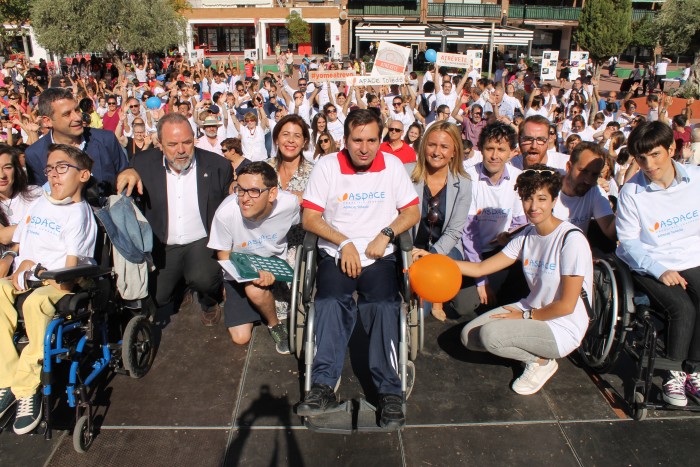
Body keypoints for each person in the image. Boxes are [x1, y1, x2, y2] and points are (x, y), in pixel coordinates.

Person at [295, 109, 420, 428]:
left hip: (379, 256)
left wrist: (386, 234)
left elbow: (411, 211)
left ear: (380, 140)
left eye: (371, 140)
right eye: (357, 140)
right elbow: (310, 218)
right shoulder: (327, 166)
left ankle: (390, 392)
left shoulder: (391, 166)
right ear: (345, 140)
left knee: (383, 306)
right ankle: (322, 386)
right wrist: (343, 242)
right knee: (328, 303)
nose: (364, 148)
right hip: (337, 253)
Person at [459, 165, 593, 395]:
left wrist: (524, 316)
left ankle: (541, 362)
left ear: (553, 201)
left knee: (490, 336)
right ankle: (527, 347)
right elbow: (481, 267)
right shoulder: (527, 235)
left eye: (542, 199)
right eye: (527, 198)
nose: (534, 206)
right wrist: (434, 260)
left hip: (561, 324)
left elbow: (566, 305)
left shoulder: (571, 240)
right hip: (531, 309)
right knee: (469, 337)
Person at [0, 144, 97, 434]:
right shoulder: (40, 202)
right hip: (29, 275)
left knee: (35, 303)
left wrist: (32, 269)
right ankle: (6, 380)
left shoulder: (78, 215)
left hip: (61, 281)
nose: (54, 175)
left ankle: (26, 386)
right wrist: (21, 264)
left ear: (83, 175)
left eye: (63, 168)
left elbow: (66, 277)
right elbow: (20, 240)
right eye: (50, 169)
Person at [616, 121, 700, 407]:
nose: (648, 164)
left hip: (693, 256)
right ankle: (672, 374)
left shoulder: (697, 178)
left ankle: (695, 370)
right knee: (682, 307)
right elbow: (628, 242)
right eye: (641, 158)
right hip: (653, 260)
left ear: (672, 149)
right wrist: (659, 269)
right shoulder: (632, 192)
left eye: (655, 155)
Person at [132, 113, 233, 325]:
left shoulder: (217, 166)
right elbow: (123, 175)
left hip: (201, 240)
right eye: (173, 144)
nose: (181, 150)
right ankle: (181, 286)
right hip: (163, 242)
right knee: (158, 297)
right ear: (159, 144)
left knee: (205, 280)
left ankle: (209, 301)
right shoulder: (141, 164)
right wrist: (125, 173)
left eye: (187, 142)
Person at [208, 162, 299, 354]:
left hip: (274, 263)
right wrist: (250, 273)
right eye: (240, 190)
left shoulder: (289, 204)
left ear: (272, 194)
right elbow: (223, 255)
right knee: (241, 338)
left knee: (256, 292)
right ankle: (241, 296)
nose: (245, 199)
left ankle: (274, 325)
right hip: (239, 267)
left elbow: (310, 209)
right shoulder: (226, 213)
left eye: (254, 191)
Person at [407, 121, 472, 320]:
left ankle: (437, 299)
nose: (437, 152)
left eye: (444, 146)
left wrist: (432, 255)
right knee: (414, 306)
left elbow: (454, 231)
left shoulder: (464, 183)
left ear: (454, 152)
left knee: (466, 305)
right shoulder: (405, 173)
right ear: (424, 145)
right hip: (410, 247)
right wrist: (409, 251)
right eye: (432, 145)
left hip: (443, 250)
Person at [25, 88, 129, 188]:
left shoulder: (106, 139)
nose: (78, 117)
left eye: (77, 110)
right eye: (67, 114)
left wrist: (131, 173)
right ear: (47, 121)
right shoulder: (34, 155)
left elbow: (124, 174)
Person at [554, 141, 616, 251]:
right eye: (583, 171)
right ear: (568, 167)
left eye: (595, 174)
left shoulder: (595, 191)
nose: (588, 180)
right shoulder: (548, 189)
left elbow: (610, 231)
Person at [0, 145, 42, 276]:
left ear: (16, 169)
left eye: (7, 167)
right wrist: (38, 222)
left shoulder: (35, 194)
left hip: (37, 268)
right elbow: (4, 236)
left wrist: (11, 253)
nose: (2, 175)